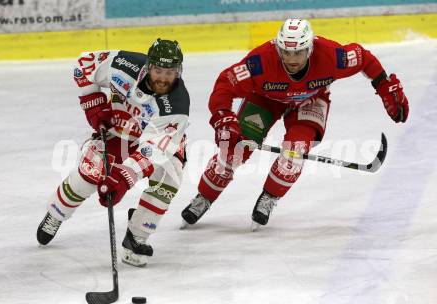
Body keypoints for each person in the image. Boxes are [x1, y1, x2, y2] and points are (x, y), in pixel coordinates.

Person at [181, 18, 409, 230]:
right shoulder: (260, 62)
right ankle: (205, 196)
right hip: (265, 100)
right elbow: (225, 83)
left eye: (298, 52)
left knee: (295, 152)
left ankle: (270, 196)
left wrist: (384, 87)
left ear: (309, 48)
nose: (291, 59)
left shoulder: (331, 56)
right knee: (232, 152)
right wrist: (223, 117)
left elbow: (363, 58)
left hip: (310, 99)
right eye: (286, 52)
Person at [37, 38, 190, 267]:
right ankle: (56, 213)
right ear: (149, 66)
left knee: (169, 177)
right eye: (158, 70)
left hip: (155, 145)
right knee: (90, 174)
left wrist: (123, 177)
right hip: (118, 133)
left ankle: (136, 237)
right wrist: (93, 103)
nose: (163, 78)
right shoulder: (124, 64)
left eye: (170, 72)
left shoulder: (177, 105)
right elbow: (84, 64)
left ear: (178, 72)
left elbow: (153, 153)